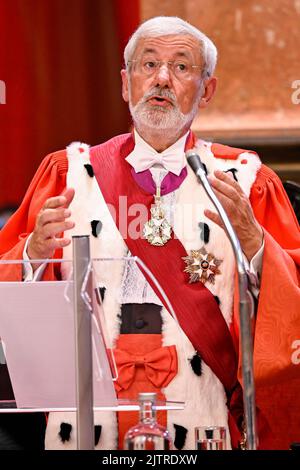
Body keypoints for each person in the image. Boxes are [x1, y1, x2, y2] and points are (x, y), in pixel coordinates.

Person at [0, 16, 299, 450]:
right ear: (126, 83)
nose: (161, 78)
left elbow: (289, 306)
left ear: (207, 90)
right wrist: (31, 253)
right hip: (87, 421)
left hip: (203, 419)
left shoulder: (246, 183)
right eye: (148, 64)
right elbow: (7, 286)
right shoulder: (67, 175)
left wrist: (256, 247)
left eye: (181, 67)